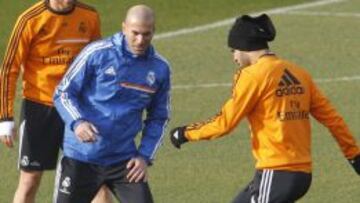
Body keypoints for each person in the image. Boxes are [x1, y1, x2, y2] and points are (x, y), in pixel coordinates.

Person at [169, 14, 360, 203]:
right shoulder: (299, 73)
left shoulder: (252, 76)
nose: (234, 57)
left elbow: (224, 123)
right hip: (301, 174)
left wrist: (185, 133)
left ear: (243, 47)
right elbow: (333, 119)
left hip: (277, 171)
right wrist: (353, 154)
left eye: (233, 50)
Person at [53, 4, 170, 203]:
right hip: (82, 157)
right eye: (135, 33)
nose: (140, 40)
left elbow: (159, 118)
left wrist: (144, 156)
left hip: (124, 161)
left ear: (154, 32)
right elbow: (63, 92)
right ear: (124, 27)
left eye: (146, 34)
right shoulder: (97, 53)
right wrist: (77, 122)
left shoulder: (160, 68)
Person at [0, 0, 112, 202]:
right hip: (40, 107)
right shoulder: (29, 19)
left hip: (78, 110)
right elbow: (9, 68)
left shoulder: (89, 16)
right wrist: (5, 117)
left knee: (97, 180)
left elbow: (98, 62)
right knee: (29, 180)